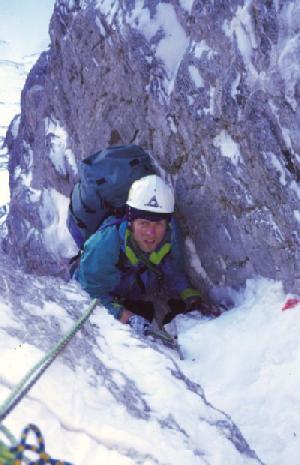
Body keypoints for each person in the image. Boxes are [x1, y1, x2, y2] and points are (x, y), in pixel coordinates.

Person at [76, 174, 220, 335]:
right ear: (131, 222)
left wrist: (192, 299)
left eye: (158, 223)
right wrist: (123, 315)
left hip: (134, 293)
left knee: (148, 313)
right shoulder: (104, 245)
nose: (151, 233)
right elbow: (87, 292)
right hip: (101, 291)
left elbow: (174, 270)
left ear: (167, 223)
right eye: (143, 223)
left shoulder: (170, 235)